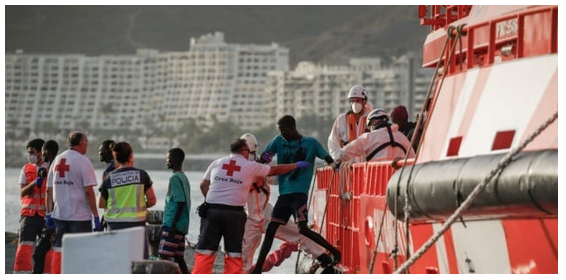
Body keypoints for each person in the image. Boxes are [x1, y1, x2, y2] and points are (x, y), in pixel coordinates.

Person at [192, 138, 310, 274]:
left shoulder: (217, 162)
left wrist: (210, 200)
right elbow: (274, 170)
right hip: (233, 214)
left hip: (212, 212)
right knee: (234, 253)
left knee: (205, 251)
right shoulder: (248, 165)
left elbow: (203, 185)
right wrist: (295, 165)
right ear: (244, 151)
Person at [251, 115, 340, 274]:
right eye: (280, 131)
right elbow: (265, 158)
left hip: (299, 194)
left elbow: (327, 158)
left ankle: (334, 252)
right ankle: (257, 269)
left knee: (303, 229)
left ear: (292, 128)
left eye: (284, 130)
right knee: (271, 229)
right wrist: (257, 163)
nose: (282, 134)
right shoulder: (279, 141)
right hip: (284, 194)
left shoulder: (311, 143)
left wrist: (335, 167)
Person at [46, 131, 100, 274]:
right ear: (81, 144)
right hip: (79, 216)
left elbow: (48, 190)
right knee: (82, 251)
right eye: (86, 143)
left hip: (59, 215)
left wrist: (49, 213)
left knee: (58, 249)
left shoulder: (57, 159)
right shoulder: (83, 161)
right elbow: (89, 191)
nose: (87, 146)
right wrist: (96, 216)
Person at [98, 141, 157, 259]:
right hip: (136, 225)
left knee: (116, 261)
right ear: (130, 156)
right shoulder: (141, 175)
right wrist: (140, 203)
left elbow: (101, 203)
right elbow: (152, 200)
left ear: (116, 158)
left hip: (114, 226)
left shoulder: (109, 178)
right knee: (138, 262)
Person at [13, 138, 47, 273]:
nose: (30, 155)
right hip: (28, 215)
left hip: (45, 215)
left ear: (40, 152)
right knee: (24, 247)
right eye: (29, 152)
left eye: (32, 152)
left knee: (47, 249)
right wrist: (34, 183)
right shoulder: (26, 169)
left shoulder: (51, 168)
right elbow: (22, 191)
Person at [338, 108, 415, 163]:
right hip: (397, 181)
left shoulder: (369, 137)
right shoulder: (402, 137)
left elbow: (345, 152)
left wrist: (347, 162)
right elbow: (413, 158)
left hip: (376, 182)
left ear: (373, 123)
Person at [157, 148, 191, 274]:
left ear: (175, 160)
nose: (167, 161)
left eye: (168, 158)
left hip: (173, 225)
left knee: (163, 256)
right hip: (182, 225)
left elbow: (180, 202)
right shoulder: (184, 177)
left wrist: (172, 226)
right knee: (178, 257)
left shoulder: (174, 178)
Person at [32, 140, 59, 274]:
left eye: (43, 153)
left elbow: (50, 192)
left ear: (47, 152)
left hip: (53, 216)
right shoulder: (54, 166)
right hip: (57, 215)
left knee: (40, 253)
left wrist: (49, 216)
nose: (42, 155)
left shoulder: (54, 167)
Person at [328, 85, 373, 163]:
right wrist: (337, 158)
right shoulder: (342, 120)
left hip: (366, 167)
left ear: (364, 101)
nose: (354, 103)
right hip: (348, 168)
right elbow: (332, 142)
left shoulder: (372, 119)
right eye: (352, 101)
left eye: (357, 100)